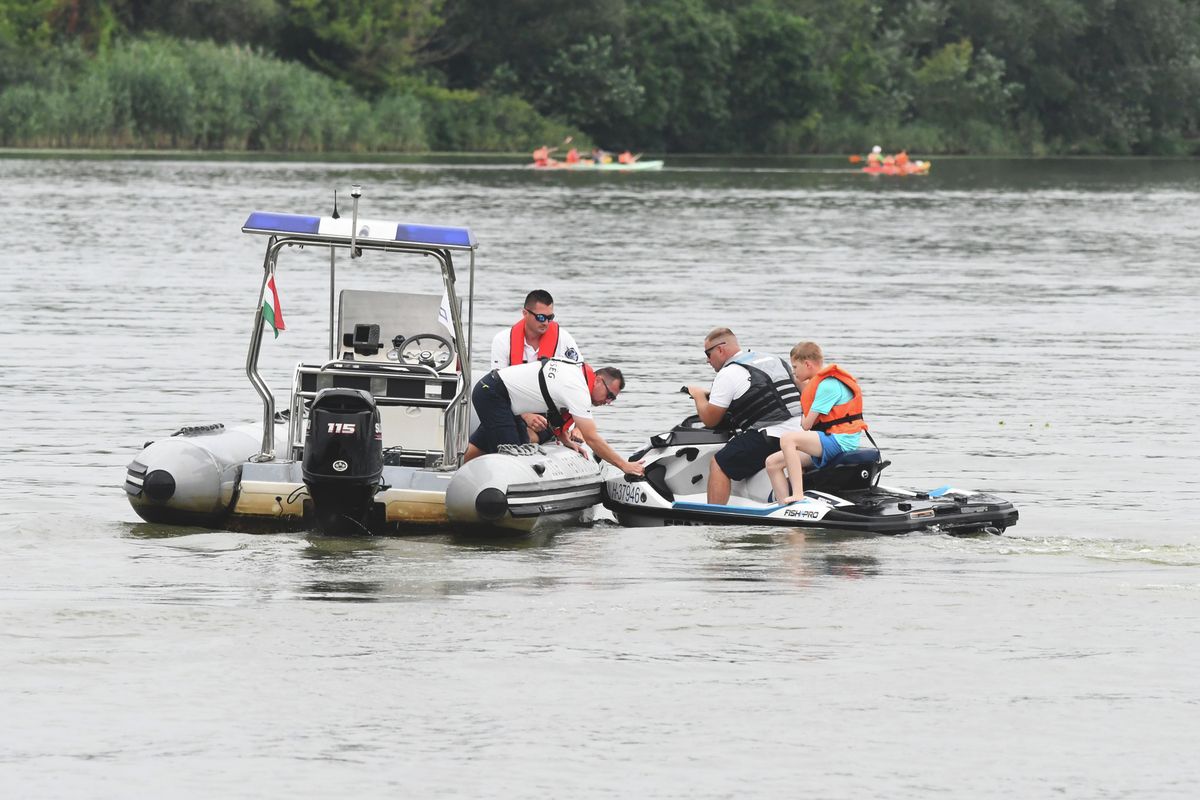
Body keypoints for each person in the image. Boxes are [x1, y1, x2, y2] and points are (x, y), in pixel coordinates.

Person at [463, 358, 645, 477]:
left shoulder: (576, 375)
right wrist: (624, 465)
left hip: (508, 403)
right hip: (493, 394)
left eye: (612, 399)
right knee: (512, 456)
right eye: (609, 395)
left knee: (502, 444)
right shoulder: (578, 388)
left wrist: (566, 440)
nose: (609, 401)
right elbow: (591, 438)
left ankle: (461, 474)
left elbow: (555, 415)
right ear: (597, 380)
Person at [685, 328, 804, 504]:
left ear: (720, 350)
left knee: (719, 463)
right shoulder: (773, 359)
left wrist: (698, 396)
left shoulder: (728, 373)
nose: (707, 360)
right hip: (802, 431)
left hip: (772, 435)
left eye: (708, 354)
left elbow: (710, 420)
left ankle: (715, 521)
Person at [764, 341, 867, 504]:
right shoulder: (820, 383)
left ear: (807, 364)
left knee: (788, 439)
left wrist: (802, 397)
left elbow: (806, 425)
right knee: (772, 462)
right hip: (830, 439)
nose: (794, 372)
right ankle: (784, 505)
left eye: (795, 367)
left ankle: (798, 494)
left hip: (841, 441)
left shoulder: (828, 385)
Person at [490, 289, 582, 442]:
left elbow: (578, 381)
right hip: (513, 410)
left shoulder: (563, 339)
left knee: (527, 437)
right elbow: (498, 388)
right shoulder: (502, 340)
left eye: (549, 317)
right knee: (482, 440)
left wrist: (579, 426)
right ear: (525, 313)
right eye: (540, 317)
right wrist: (525, 415)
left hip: (548, 416)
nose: (545, 322)